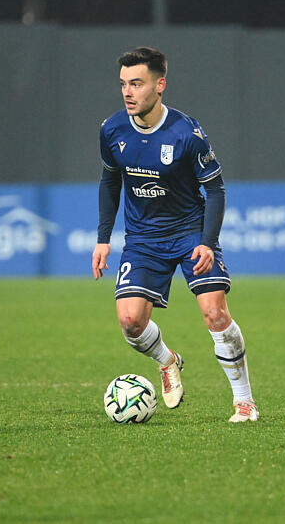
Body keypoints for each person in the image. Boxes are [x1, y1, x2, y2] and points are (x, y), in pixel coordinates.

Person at [91, 46, 258, 423]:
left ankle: (244, 401)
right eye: (123, 84)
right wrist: (104, 237)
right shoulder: (112, 129)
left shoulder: (187, 132)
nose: (128, 92)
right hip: (143, 239)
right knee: (131, 323)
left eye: (137, 83)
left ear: (159, 85)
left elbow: (215, 189)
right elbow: (109, 180)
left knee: (215, 313)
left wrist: (208, 243)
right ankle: (168, 361)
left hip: (189, 232)